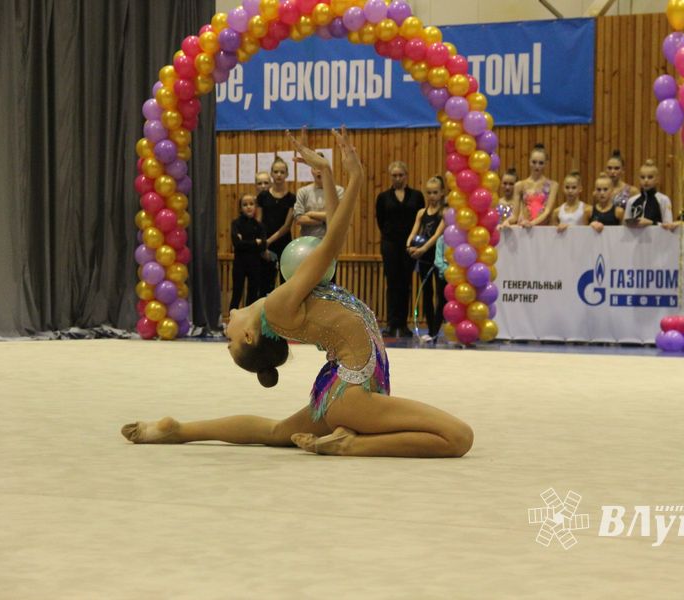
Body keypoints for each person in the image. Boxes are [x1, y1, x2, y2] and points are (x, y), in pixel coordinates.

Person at [121, 128, 474, 458]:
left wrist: (327, 176)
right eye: (230, 341)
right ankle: (350, 446)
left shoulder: (282, 303)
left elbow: (328, 241)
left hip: (343, 388)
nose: (225, 330)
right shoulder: (276, 307)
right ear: (250, 334)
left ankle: (178, 430)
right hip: (352, 392)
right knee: (458, 438)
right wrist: (356, 180)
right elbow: (332, 245)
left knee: (276, 432)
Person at [376, 160, 424, 338]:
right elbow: (380, 220)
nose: (398, 178)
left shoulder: (416, 196)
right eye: (394, 175)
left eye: (400, 175)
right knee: (392, 283)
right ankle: (391, 323)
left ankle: (404, 324)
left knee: (406, 284)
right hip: (390, 244)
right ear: (391, 177)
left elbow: (420, 219)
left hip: (409, 245)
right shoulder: (383, 197)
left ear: (406, 175)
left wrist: (412, 241)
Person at [406, 176, 447, 341]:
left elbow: (437, 235)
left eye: (435, 192)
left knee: (440, 295)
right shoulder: (421, 213)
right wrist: (408, 245)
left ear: (442, 193)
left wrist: (422, 249)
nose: (432, 196)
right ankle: (430, 329)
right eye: (429, 193)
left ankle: (436, 331)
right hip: (422, 258)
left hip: (436, 257)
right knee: (427, 294)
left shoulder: (444, 213)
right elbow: (414, 231)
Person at [257, 157, 296, 293]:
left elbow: (286, 226)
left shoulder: (291, 198)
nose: (279, 175)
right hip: (266, 245)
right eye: (276, 172)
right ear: (272, 174)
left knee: (286, 283)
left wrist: (269, 241)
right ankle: (264, 313)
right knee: (265, 283)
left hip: (284, 243)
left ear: (286, 174)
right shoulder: (263, 196)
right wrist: (263, 243)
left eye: (282, 172)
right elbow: (259, 221)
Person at [229, 194, 268, 314]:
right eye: (245, 205)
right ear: (240, 208)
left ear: (255, 207)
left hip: (255, 263)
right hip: (239, 263)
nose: (248, 207)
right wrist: (254, 243)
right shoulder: (236, 224)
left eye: (251, 204)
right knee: (237, 292)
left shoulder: (259, 225)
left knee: (252, 294)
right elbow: (237, 244)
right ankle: (232, 321)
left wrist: (245, 242)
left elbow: (263, 245)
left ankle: (248, 321)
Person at [294, 154, 345, 238]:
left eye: (321, 167)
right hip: (307, 241)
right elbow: (299, 219)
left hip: (331, 241)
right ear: (311, 170)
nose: (318, 171)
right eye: (315, 167)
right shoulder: (302, 192)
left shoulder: (338, 191)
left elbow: (339, 216)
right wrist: (324, 221)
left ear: (327, 170)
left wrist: (310, 213)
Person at [509, 143, 558, 228]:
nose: (537, 166)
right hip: (524, 228)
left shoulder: (553, 185)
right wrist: (506, 222)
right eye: (534, 162)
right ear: (529, 161)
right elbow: (514, 216)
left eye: (541, 163)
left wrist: (532, 223)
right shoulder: (519, 185)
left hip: (543, 229)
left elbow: (547, 211)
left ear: (546, 164)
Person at [623, 159, 674, 229]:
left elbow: (669, 226)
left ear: (657, 179)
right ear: (639, 179)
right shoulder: (631, 201)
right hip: (635, 239)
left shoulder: (663, 200)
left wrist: (651, 223)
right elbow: (625, 225)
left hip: (657, 239)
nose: (646, 180)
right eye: (642, 177)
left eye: (650, 177)